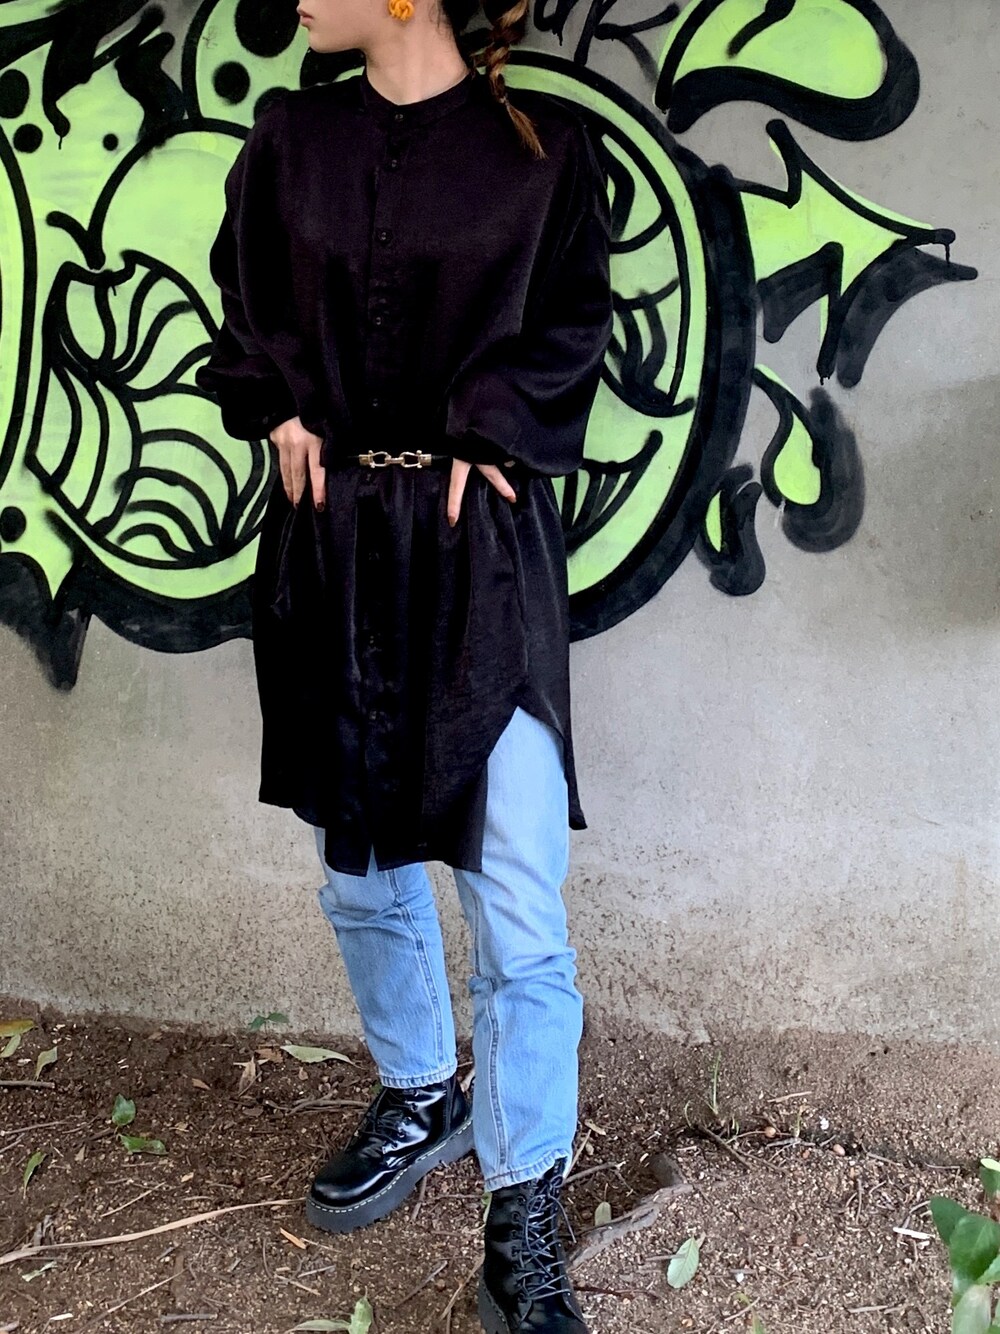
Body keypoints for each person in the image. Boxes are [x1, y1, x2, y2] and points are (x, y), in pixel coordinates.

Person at [195, 0, 614, 1325]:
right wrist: (274, 406)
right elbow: (244, 297)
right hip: (331, 554)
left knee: (517, 894)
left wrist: (493, 430)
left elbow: (571, 329)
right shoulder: (290, 141)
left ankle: (524, 1210)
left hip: (479, 565)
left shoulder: (547, 152)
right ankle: (421, 1087)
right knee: (358, 864)